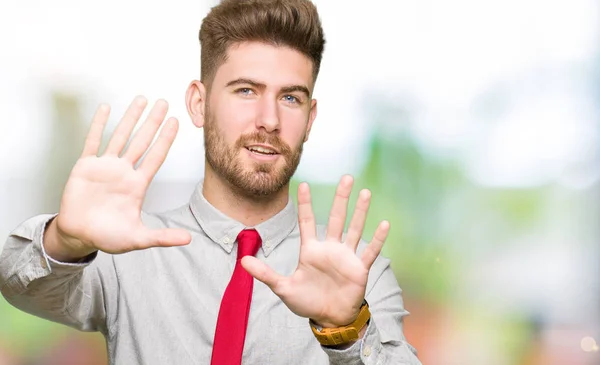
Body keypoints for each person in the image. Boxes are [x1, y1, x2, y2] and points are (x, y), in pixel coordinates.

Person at [0, 0, 421, 364]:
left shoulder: (357, 278)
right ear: (199, 104)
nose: (270, 121)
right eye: (245, 91)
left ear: (310, 120)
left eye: (290, 97)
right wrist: (66, 241)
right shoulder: (126, 250)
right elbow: (18, 286)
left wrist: (346, 330)